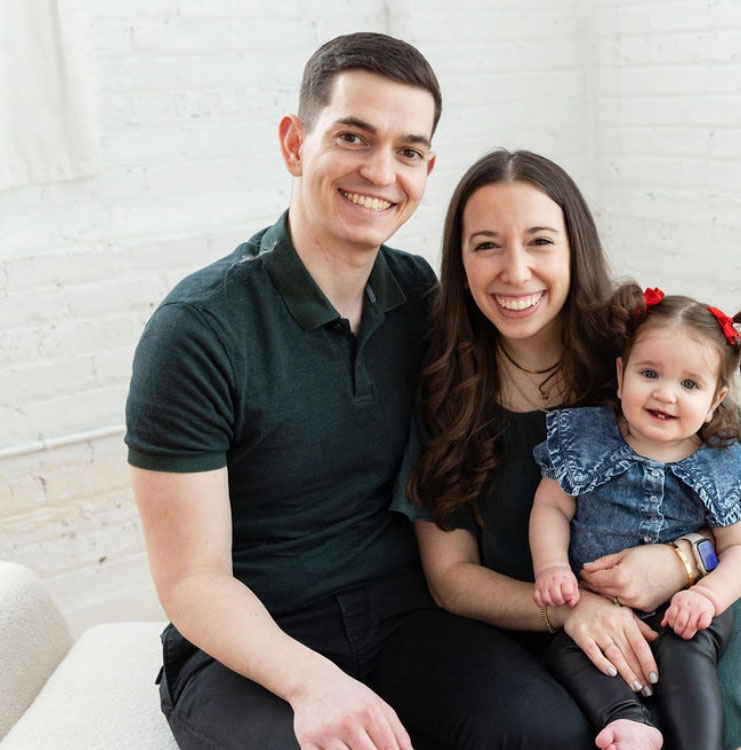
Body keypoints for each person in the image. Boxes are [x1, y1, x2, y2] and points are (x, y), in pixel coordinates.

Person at [126, 34, 588, 750]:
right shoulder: (197, 331)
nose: (380, 170)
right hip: (252, 645)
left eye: (407, 150)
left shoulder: (423, 298)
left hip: (408, 618)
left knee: (546, 733)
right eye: (352, 136)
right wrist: (313, 684)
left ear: (425, 168)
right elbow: (192, 580)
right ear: (294, 144)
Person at [398, 148, 741, 750]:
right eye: (486, 245)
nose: (516, 270)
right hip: (548, 616)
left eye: (539, 241)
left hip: (708, 595)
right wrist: (575, 608)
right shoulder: (446, 390)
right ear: (460, 261)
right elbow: (451, 577)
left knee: (735, 709)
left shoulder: (649, 349)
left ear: (573, 248)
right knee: (592, 721)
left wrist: (681, 565)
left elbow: (740, 519)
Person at [530, 283, 741, 750]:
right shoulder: (586, 438)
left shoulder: (720, 462)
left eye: (690, 384)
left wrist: (709, 597)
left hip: (686, 605)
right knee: (572, 649)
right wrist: (552, 567)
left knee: (687, 653)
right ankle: (630, 720)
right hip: (600, 602)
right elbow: (551, 506)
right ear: (621, 376)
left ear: (716, 401)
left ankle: (699, 742)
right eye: (650, 373)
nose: (666, 394)